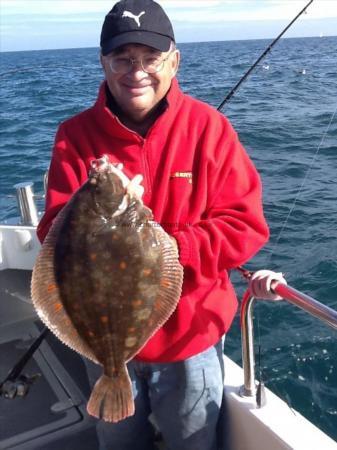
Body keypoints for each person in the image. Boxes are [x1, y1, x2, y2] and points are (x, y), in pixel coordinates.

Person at [37, 0, 270, 449]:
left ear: (174, 60)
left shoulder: (210, 129)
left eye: (150, 58)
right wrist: (96, 210)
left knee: (191, 440)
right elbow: (51, 233)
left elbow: (245, 225)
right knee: (118, 441)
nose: (136, 71)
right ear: (104, 62)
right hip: (100, 341)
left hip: (188, 340)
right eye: (122, 58)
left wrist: (164, 247)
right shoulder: (74, 135)